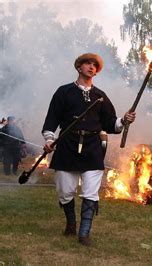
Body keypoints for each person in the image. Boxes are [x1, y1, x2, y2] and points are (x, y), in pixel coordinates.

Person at [42, 53, 136, 246]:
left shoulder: (100, 96)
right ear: (79, 67)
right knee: (65, 191)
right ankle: (71, 223)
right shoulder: (64, 92)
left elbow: (111, 123)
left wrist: (124, 121)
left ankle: (84, 234)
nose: (91, 67)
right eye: (87, 64)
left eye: (95, 65)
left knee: (91, 192)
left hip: (92, 148)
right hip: (67, 146)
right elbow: (52, 118)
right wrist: (49, 139)